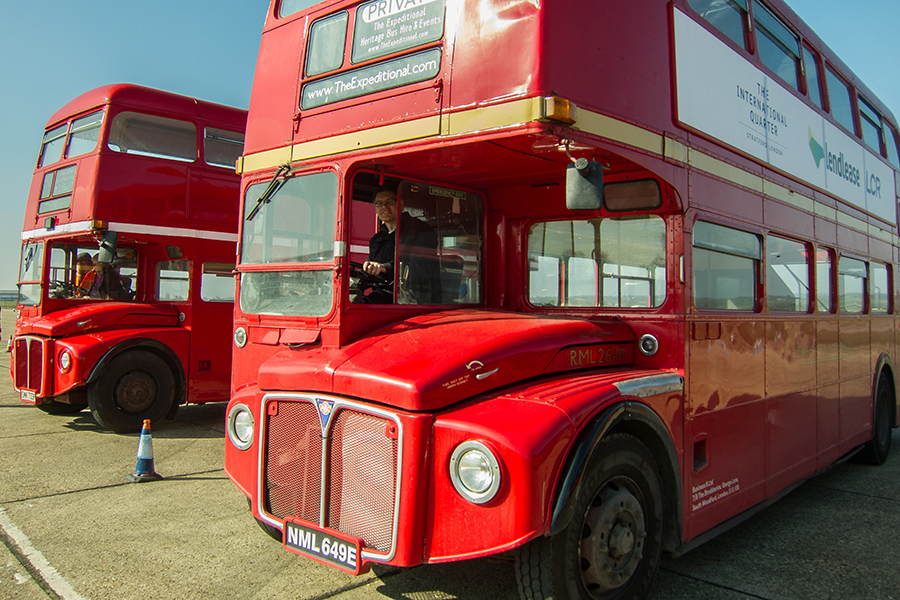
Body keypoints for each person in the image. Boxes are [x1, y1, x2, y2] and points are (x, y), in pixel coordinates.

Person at [358, 189, 439, 304]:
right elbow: (371, 269)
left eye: (389, 201)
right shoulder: (376, 240)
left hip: (412, 300)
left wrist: (386, 268)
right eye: (379, 203)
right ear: (375, 209)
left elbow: (424, 267)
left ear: (400, 204)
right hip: (383, 296)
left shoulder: (420, 230)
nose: (384, 206)